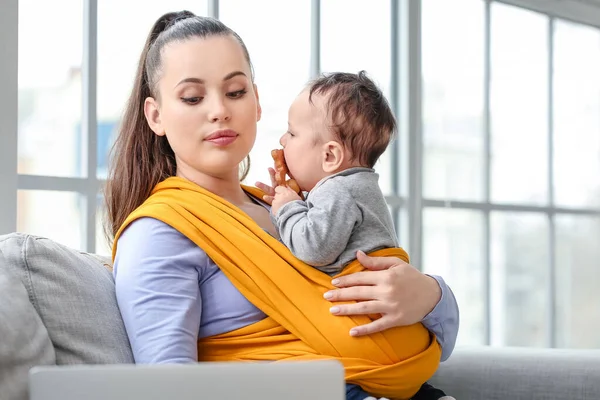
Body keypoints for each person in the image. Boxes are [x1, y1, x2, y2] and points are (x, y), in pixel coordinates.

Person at [105, 10, 459, 400]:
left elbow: (432, 328)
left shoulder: (287, 205)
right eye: (192, 97)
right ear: (156, 116)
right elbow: (169, 390)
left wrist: (429, 295)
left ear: (256, 102)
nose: (219, 110)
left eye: (235, 92)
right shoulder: (159, 232)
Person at [262, 70, 399, 277]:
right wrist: (290, 207)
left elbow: (313, 250)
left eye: (292, 133)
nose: (282, 140)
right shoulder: (355, 187)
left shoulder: (338, 189)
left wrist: (287, 209)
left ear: (330, 156)